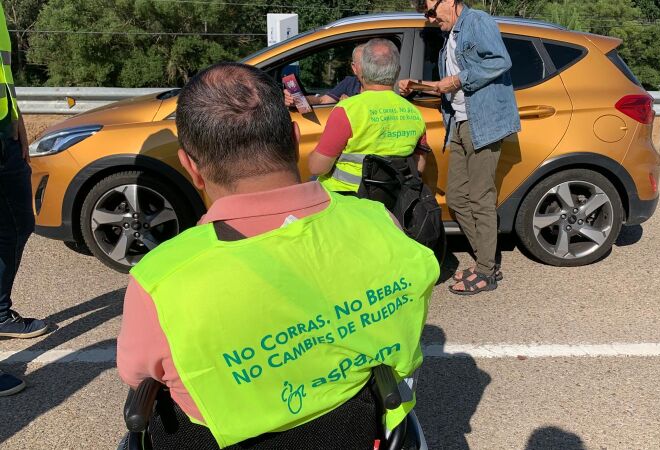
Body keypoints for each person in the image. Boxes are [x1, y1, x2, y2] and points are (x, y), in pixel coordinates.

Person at [116, 62, 439, 449]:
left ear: (191, 167)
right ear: (295, 139)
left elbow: (139, 376)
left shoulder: (161, 279)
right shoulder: (381, 224)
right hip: (362, 432)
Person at [399, 0, 521, 295]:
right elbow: (447, 85)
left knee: (480, 197)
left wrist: (457, 79)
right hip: (460, 122)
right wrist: (419, 84)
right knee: (455, 197)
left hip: (483, 121)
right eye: (426, 15)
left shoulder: (477, 21)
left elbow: (499, 61)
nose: (430, 19)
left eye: (431, 11)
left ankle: (486, 272)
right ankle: (487, 260)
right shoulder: (450, 37)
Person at [0, 2, 50, 396]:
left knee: (19, 224)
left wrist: (15, 116)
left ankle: (0, 312)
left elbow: (3, 70)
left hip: (3, 131)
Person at [308, 38, 429, 193]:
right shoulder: (414, 113)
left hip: (346, 200)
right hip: (393, 201)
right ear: (397, 71)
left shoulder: (347, 110)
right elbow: (419, 166)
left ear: (362, 70)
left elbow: (317, 167)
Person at [284, 44, 364, 108]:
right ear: (354, 68)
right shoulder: (350, 83)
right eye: (364, 63)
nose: (368, 67)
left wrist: (353, 104)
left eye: (370, 62)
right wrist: (298, 100)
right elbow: (322, 100)